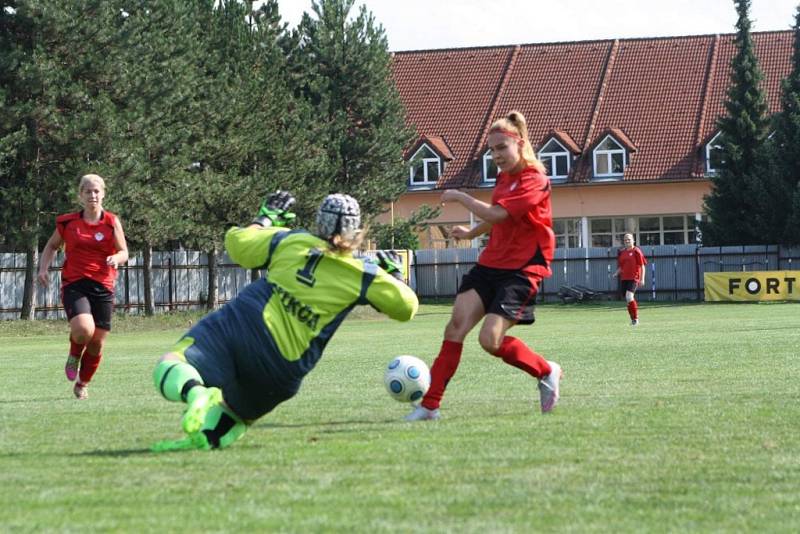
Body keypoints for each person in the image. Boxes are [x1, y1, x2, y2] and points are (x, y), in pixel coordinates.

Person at [151, 192, 418, 451]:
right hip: (282, 370)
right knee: (237, 414)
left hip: (243, 327)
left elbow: (237, 243)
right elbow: (406, 307)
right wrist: (391, 275)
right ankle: (208, 439)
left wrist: (265, 218)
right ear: (356, 230)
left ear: (319, 220)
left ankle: (195, 392)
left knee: (173, 362)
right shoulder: (364, 274)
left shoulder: (290, 240)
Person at [406, 110, 562, 422]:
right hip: (491, 264)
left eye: (502, 147)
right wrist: (471, 233)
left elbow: (498, 215)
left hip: (523, 268)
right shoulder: (504, 179)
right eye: (492, 150)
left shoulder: (536, 180)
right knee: (455, 327)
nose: (496, 155)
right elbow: (497, 217)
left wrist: (461, 196)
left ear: (519, 144)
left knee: (489, 341)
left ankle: (546, 370)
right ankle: (429, 406)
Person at [37, 174, 129, 399]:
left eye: (96, 191)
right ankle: (74, 354)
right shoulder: (68, 222)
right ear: (80, 195)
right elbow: (51, 246)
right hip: (75, 283)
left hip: (103, 286)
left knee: (97, 343)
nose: (93, 195)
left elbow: (124, 252)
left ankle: (82, 383)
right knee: (83, 330)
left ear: (103, 193)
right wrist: (43, 268)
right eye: (88, 191)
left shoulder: (111, 222)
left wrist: (116, 259)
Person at [613, 232, 647, 326]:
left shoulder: (637, 251)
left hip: (634, 278)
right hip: (624, 278)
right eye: (625, 239)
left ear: (633, 240)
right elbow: (621, 266)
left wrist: (642, 279)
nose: (627, 241)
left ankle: (636, 319)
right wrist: (616, 273)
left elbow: (642, 265)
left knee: (629, 296)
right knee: (628, 299)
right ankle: (633, 320)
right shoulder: (622, 252)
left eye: (629, 239)